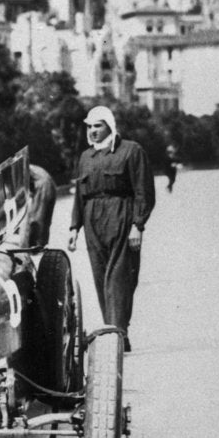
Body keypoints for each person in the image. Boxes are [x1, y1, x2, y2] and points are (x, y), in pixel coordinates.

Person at [68, 106, 155, 352]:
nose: (93, 131)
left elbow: (143, 191)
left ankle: (118, 332)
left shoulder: (131, 151)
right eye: (89, 126)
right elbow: (80, 196)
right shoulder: (86, 157)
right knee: (100, 276)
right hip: (92, 220)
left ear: (110, 125)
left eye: (98, 125)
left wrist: (138, 225)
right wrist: (75, 227)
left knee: (119, 277)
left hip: (121, 217)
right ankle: (114, 330)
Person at [27, 163, 57, 248]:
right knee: (46, 216)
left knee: (37, 215)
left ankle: (34, 243)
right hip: (50, 183)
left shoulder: (24, 166)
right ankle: (42, 242)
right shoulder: (32, 167)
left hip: (43, 185)